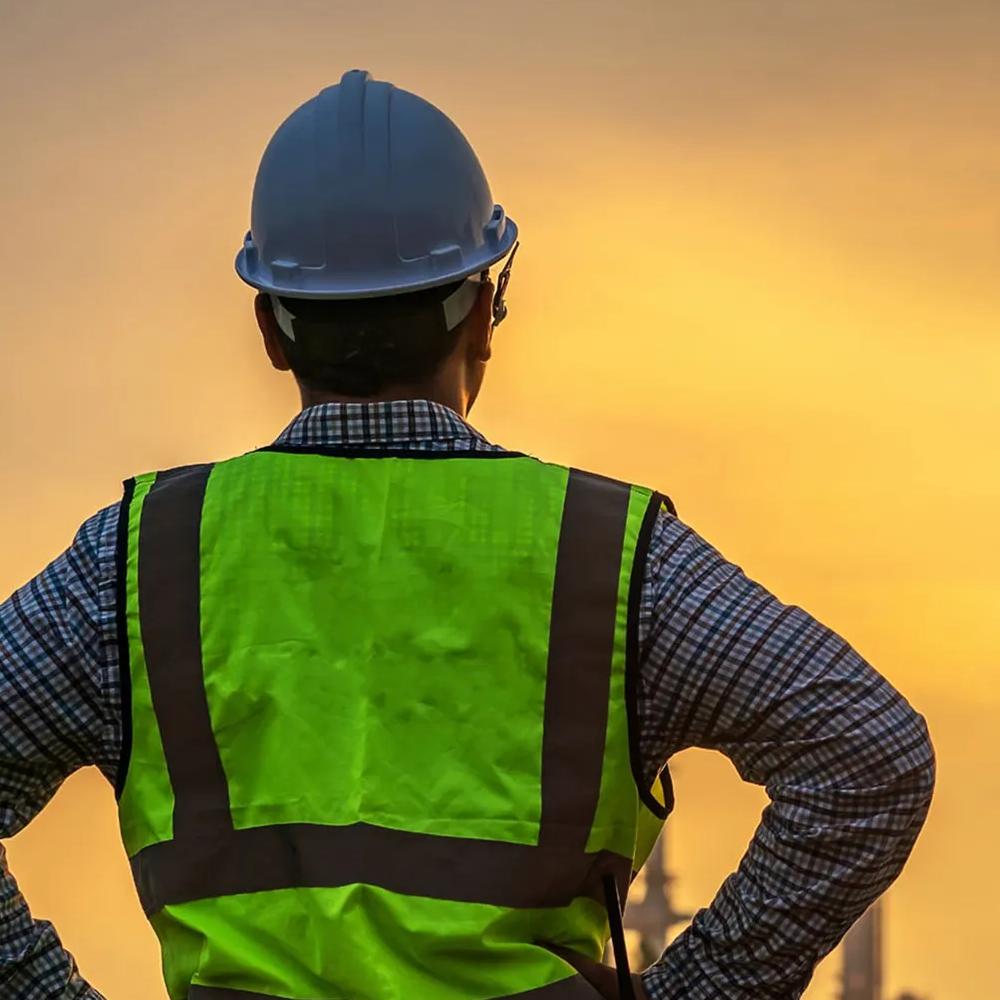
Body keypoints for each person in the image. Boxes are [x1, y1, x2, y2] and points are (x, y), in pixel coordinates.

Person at [0, 68, 935, 1000]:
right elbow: (870, 757)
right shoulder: (607, 559)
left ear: (271, 331)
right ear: (482, 314)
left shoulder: (139, 562)